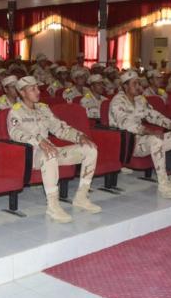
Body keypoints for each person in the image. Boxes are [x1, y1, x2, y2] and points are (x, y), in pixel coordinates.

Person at [7, 76, 101, 222]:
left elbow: (59, 128)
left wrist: (79, 136)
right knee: (49, 154)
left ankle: (81, 197)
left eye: (37, 87)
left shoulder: (43, 108)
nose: (38, 91)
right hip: (30, 154)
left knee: (90, 149)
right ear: (22, 93)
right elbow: (15, 133)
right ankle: (53, 206)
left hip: (49, 149)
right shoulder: (16, 111)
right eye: (32, 89)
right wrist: (38, 141)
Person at [109, 71, 171, 198]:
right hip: (128, 144)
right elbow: (126, 124)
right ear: (125, 87)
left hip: (143, 140)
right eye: (134, 84)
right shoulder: (117, 102)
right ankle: (163, 184)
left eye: (138, 83)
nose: (138, 86)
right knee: (156, 139)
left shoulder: (139, 100)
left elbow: (154, 115)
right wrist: (150, 131)